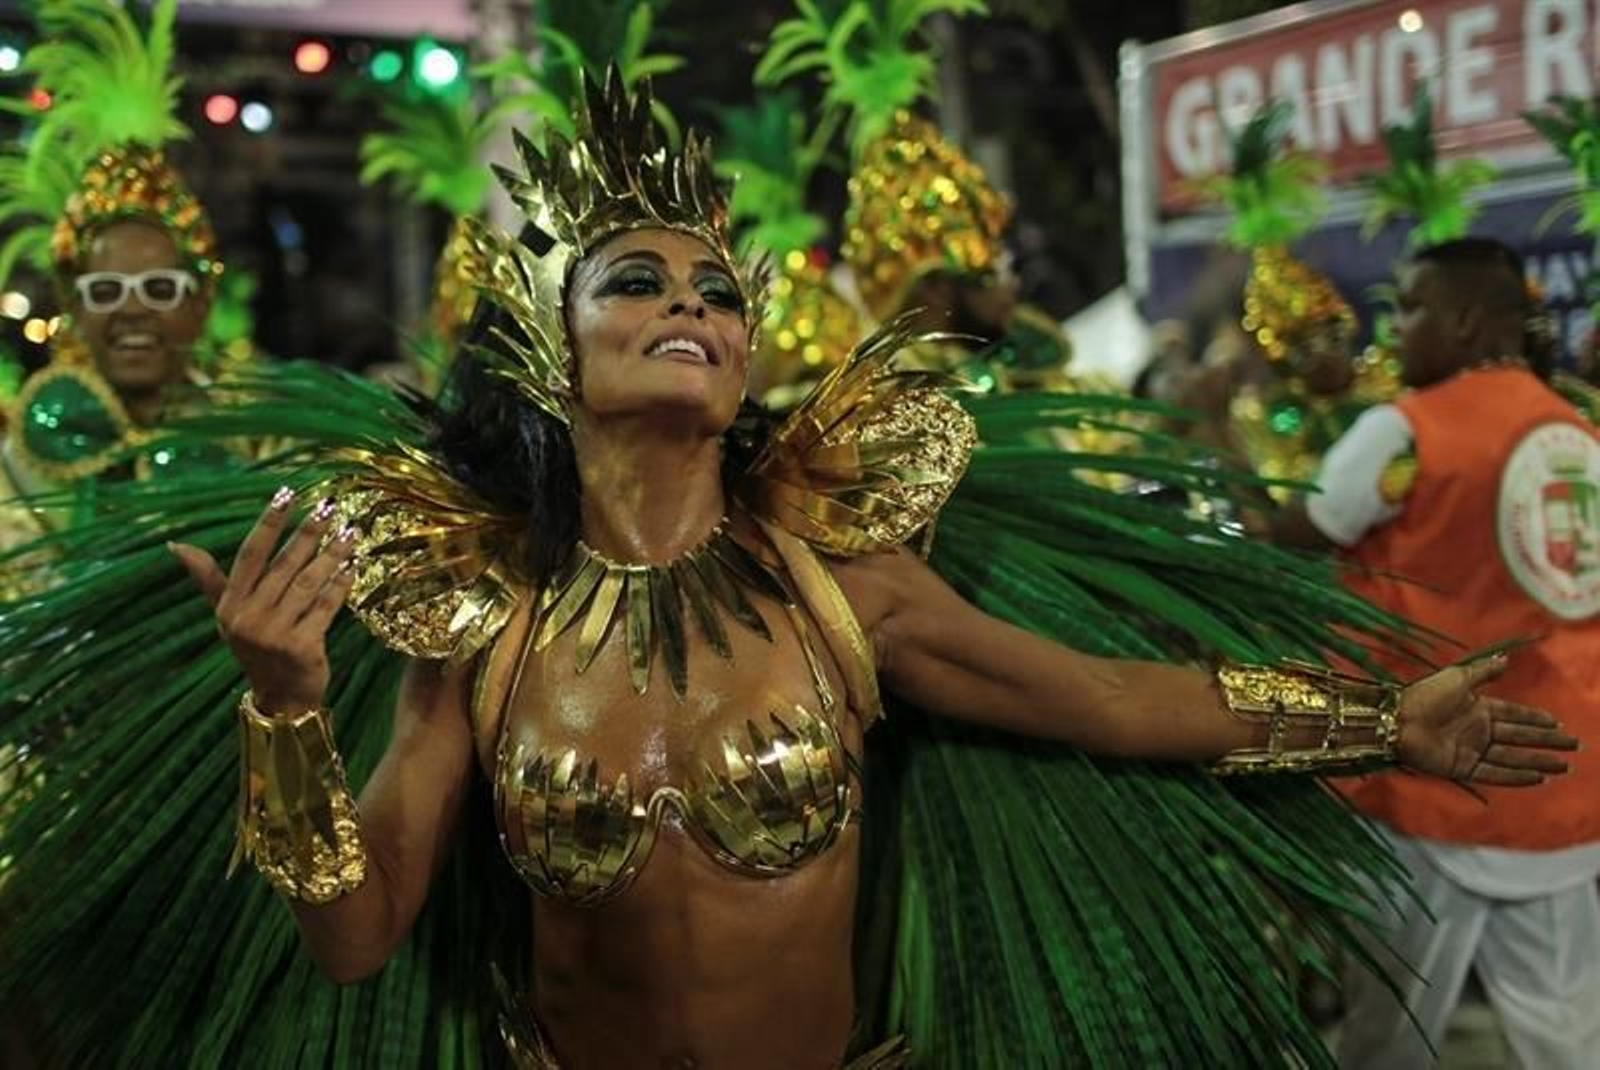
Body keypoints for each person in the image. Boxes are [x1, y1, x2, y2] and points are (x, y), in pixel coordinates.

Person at [158, 78, 1579, 1069]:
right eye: (636, 282)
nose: (689, 306)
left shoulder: (842, 592)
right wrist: (283, 712)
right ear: (550, 345)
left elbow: (1122, 701)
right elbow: (351, 939)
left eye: (718, 289)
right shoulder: (488, 623)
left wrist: (1383, 718)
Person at [1270, 237, 1600, 1069]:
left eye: (1408, 308)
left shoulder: (1404, 432)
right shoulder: (1581, 434)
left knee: (1390, 1035)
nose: (1392, 331)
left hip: (1427, 778)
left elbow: (1300, 531)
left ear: (1460, 320)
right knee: (1567, 1032)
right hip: (1554, 779)